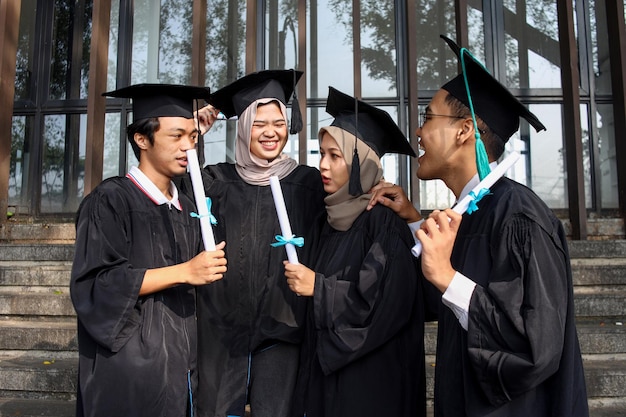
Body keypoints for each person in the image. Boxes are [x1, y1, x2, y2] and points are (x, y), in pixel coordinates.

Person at [368, 35, 589, 417]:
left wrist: (447, 277)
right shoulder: (472, 211)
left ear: (464, 130)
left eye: (427, 116)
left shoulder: (519, 218)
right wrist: (414, 220)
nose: (417, 132)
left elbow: (534, 346)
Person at [70, 84, 228, 417]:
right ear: (142, 139)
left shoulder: (187, 207)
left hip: (182, 372)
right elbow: (97, 284)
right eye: (176, 136)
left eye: (193, 137)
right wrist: (185, 271)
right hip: (130, 374)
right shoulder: (110, 201)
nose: (188, 147)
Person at [181, 69, 326, 417]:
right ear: (244, 126)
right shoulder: (218, 180)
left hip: (283, 331)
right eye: (259, 123)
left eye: (278, 122)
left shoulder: (307, 185)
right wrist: (193, 135)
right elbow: (187, 195)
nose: (270, 132)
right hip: (223, 332)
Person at [283, 86, 426, 417]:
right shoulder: (328, 220)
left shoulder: (384, 225)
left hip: (371, 384)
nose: (322, 165)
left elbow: (384, 306)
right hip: (327, 378)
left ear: (362, 165)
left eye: (335, 156)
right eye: (321, 153)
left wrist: (318, 288)